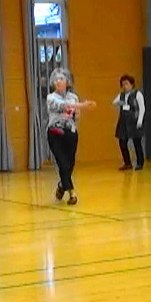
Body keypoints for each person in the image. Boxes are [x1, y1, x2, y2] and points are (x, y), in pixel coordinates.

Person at [46, 68, 95, 206]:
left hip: (70, 132)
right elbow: (62, 106)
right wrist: (82, 105)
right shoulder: (51, 97)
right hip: (55, 132)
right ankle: (72, 192)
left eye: (61, 79)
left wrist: (78, 111)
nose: (58, 82)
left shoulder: (73, 97)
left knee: (69, 164)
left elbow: (76, 115)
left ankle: (62, 186)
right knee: (62, 162)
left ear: (67, 82)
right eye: (56, 79)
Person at [113, 74, 146, 171]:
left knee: (137, 142)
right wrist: (121, 103)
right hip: (124, 121)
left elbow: (142, 108)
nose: (125, 86)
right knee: (122, 142)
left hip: (134, 120)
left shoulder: (137, 94)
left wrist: (140, 120)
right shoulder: (121, 95)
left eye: (127, 84)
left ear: (132, 84)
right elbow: (114, 102)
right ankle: (127, 163)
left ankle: (140, 162)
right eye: (123, 84)